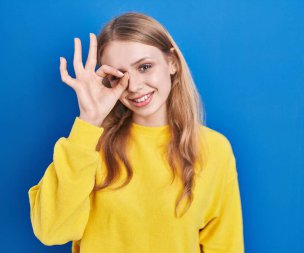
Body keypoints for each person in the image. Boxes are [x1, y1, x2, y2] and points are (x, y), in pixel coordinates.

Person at [28, 12, 244, 253]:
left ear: (172, 62)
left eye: (144, 67)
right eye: (119, 75)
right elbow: (51, 231)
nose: (133, 86)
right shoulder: (88, 145)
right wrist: (89, 121)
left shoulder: (214, 149)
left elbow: (225, 246)